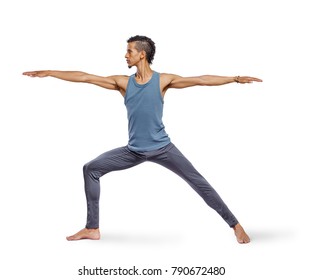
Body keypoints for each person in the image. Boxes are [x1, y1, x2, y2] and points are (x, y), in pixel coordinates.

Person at [23, 35, 262, 244]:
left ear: (142, 55)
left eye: (129, 51)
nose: (125, 55)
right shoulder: (123, 83)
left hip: (163, 149)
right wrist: (50, 73)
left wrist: (235, 78)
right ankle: (92, 228)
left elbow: (200, 79)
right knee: (91, 169)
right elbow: (85, 77)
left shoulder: (163, 80)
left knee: (200, 184)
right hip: (133, 151)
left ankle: (236, 226)